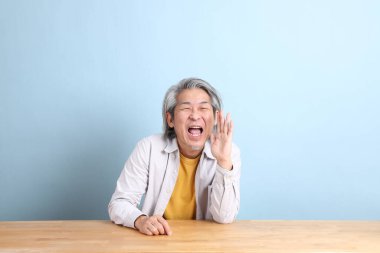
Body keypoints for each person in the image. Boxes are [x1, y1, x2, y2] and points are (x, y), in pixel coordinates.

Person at [108, 78, 241, 236]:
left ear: (215, 118)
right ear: (170, 119)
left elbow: (224, 217)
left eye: (203, 108)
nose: (195, 116)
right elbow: (119, 203)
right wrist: (141, 220)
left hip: (206, 244)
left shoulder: (229, 152)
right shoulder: (149, 147)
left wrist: (223, 162)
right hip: (158, 240)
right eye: (186, 108)